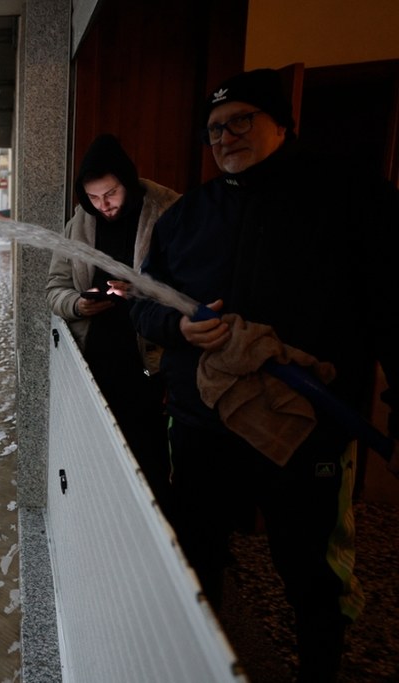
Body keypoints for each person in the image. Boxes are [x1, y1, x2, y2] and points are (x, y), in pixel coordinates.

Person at [130, 69, 399, 682]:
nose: (225, 137)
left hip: (306, 430)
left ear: (281, 122)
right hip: (202, 425)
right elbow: (144, 303)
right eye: (214, 129)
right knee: (196, 554)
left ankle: (319, 669)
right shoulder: (189, 215)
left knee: (312, 571)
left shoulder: (352, 198)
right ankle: (200, 663)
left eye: (241, 121)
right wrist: (179, 328)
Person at [46, 133, 180, 508]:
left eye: (111, 194)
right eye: (93, 197)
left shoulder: (169, 211)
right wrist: (77, 304)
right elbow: (54, 288)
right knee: (99, 458)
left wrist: (140, 292)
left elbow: (191, 290)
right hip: (95, 362)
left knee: (150, 459)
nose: (103, 206)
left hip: (152, 365)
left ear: (127, 181)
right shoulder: (80, 222)